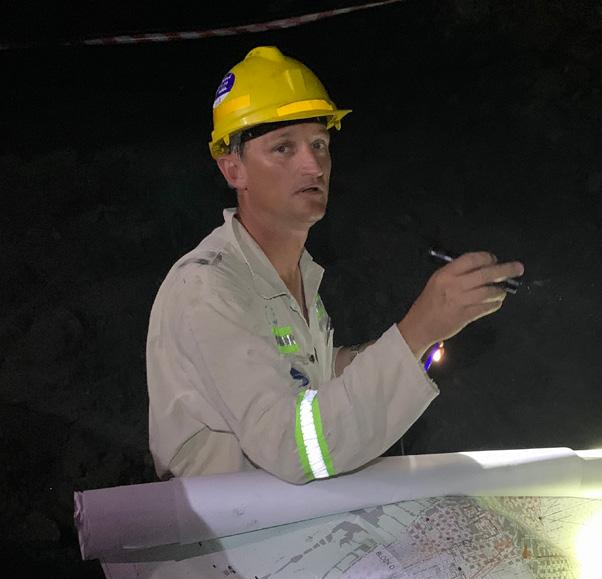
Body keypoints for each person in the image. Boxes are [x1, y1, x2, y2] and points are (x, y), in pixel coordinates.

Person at [146, 46, 524, 484]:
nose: (313, 165)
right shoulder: (207, 288)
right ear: (233, 171)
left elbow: (309, 378)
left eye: (319, 144)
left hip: (276, 519)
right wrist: (418, 330)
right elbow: (294, 450)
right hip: (222, 527)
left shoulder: (293, 273)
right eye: (283, 148)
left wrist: (415, 343)